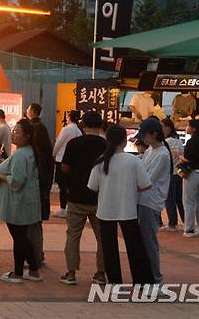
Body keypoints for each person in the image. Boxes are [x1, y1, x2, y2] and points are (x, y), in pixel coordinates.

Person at [88, 124, 154, 285]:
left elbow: (92, 187)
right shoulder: (133, 161)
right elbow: (146, 185)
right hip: (128, 209)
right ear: (125, 141)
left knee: (109, 249)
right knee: (135, 248)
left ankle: (115, 282)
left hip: (105, 210)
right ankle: (143, 282)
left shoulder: (100, 162)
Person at [0, 119, 42, 283]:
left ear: (27, 136)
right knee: (23, 237)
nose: (13, 133)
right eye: (13, 130)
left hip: (18, 202)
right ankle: (33, 270)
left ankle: (18, 273)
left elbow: (18, 180)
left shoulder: (21, 155)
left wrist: (0, 177)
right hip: (26, 201)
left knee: (19, 238)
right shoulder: (29, 152)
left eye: (17, 132)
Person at [59, 111, 106, 285]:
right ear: (100, 125)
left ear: (83, 125)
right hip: (99, 199)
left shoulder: (74, 143)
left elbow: (64, 167)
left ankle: (71, 273)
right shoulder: (106, 145)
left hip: (76, 196)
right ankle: (101, 273)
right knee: (102, 237)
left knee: (73, 235)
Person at [135, 118, 172, 284]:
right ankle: (146, 275)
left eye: (145, 135)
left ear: (154, 134)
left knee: (149, 241)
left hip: (150, 202)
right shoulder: (150, 150)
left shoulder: (163, 154)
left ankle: (155, 278)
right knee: (144, 240)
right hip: (142, 200)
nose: (143, 139)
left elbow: (147, 180)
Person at [27, 103, 54, 267]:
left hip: (38, 186)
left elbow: (42, 159)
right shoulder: (40, 128)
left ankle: (35, 257)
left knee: (33, 223)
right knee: (35, 223)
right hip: (42, 183)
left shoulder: (36, 128)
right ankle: (37, 255)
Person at [52, 110, 82, 218]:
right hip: (74, 162)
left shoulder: (66, 129)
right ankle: (70, 207)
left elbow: (59, 143)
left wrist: (53, 154)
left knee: (62, 185)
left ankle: (63, 208)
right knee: (70, 185)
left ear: (69, 117)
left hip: (61, 159)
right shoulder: (78, 131)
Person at [160, 118, 185, 231]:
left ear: (168, 128)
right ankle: (186, 221)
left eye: (162, 127)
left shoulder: (167, 142)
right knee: (180, 199)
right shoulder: (179, 141)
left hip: (170, 173)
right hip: (179, 173)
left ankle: (172, 223)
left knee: (169, 199)